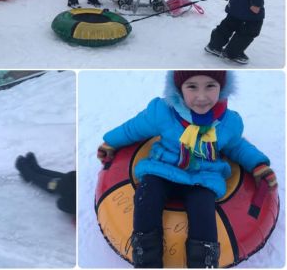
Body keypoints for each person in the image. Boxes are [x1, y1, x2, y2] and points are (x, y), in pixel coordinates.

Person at [97, 70, 277, 268]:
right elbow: (133, 128)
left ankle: (203, 262)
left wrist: (258, 164)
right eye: (192, 87)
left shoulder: (228, 123)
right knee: (147, 196)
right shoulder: (163, 112)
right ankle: (147, 259)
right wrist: (111, 142)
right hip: (162, 168)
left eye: (210, 86)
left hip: (203, 177)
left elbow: (237, 147)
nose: (201, 96)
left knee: (203, 210)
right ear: (179, 89)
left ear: (222, 87)